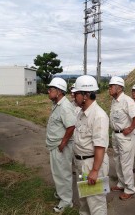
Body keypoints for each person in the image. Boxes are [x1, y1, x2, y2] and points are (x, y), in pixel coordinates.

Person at [72, 75, 109, 215]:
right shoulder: (82, 113)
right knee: (84, 201)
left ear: (86, 95)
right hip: (82, 164)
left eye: (76, 93)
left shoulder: (99, 116)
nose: (74, 96)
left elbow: (100, 146)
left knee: (96, 204)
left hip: (92, 164)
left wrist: (95, 171)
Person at [108, 76, 135, 200]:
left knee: (126, 163)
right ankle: (121, 184)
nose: (109, 89)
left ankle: (130, 188)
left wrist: (130, 128)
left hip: (125, 136)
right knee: (117, 160)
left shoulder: (127, 100)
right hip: (116, 134)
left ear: (120, 88)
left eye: (111, 86)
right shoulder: (114, 101)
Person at [46, 77, 76, 213]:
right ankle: (61, 192)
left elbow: (71, 126)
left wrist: (62, 143)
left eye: (51, 89)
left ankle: (66, 201)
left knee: (63, 174)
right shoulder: (57, 104)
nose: (48, 91)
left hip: (60, 147)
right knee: (58, 173)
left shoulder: (64, 106)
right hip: (55, 145)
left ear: (59, 91)